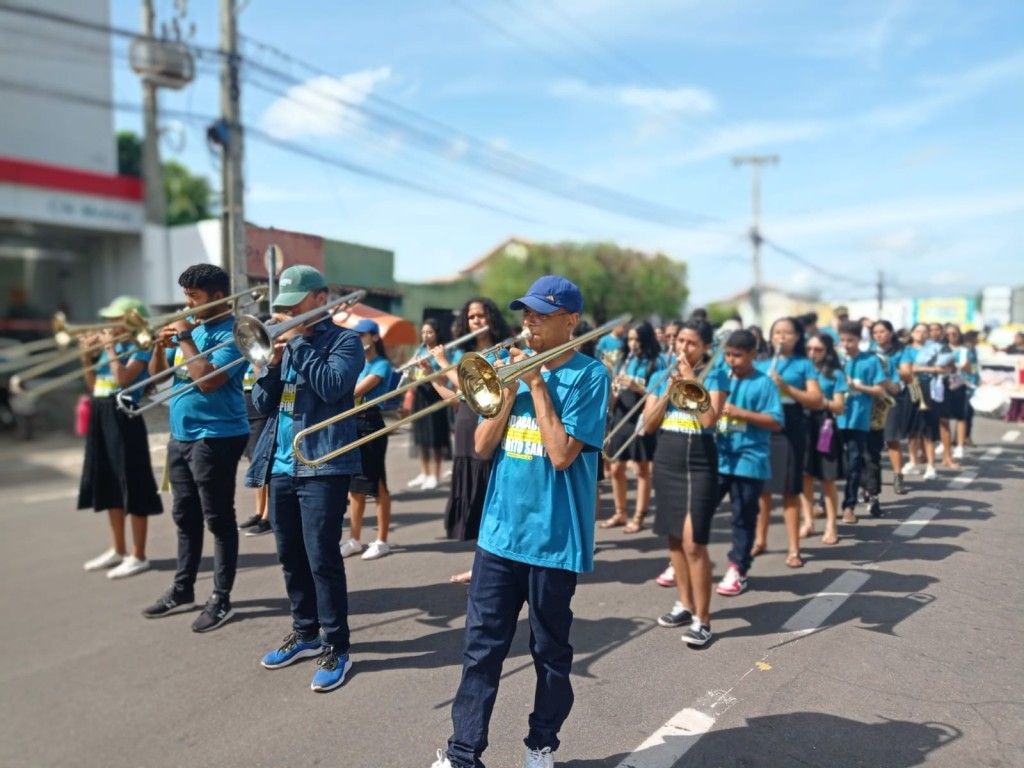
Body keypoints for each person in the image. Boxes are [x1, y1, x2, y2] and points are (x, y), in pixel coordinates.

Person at [431, 275, 609, 768]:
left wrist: (535, 383)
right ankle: (463, 752)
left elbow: (560, 455)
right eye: (525, 312)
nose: (527, 320)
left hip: (553, 542)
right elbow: (481, 446)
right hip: (499, 537)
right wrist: (509, 390)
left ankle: (540, 745)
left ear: (569, 321)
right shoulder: (506, 369)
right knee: (480, 649)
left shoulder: (590, 376)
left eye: (540, 313)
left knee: (549, 652)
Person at [246, 265, 364, 693]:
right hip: (281, 465)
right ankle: (306, 633)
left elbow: (334, 387)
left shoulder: (345, 342)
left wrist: (296, 343)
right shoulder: (284, 348)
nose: (286, 316)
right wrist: (272, 364)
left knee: (322, 560)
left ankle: (337, 646)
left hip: (322, 464)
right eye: (282, 310)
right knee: (290, 557)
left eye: (294, 307)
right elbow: (260, 403)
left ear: (320, 299)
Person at [142, 264, 248, 632]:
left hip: (216, 437)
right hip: (180, 436)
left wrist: (186, 338)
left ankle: (221, 598)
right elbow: (158, 380)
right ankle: (183, 588)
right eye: (185, 295)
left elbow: (209, 382)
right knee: (183, 516)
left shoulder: (236, 334)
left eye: (194, 297)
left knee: (218, 518)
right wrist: (158, 347)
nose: (186, 303)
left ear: (217, 296)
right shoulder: (195, 330)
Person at [648, 319, 726, 646]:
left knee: (695, 543)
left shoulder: (716, 375)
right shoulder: (660, 375)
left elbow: (710, 419)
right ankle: (685, 602)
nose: (683, 347)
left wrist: (692, 381)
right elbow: (649, 425)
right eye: (680, 340)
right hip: (667, 460)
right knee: (675, 538)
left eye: (692, 343)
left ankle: (702, 620)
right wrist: (667, 389)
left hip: (699, 463)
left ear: (705, 347)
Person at [428, 298, 512, 584]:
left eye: (481, 315)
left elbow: (479, 388)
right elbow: (457, 399)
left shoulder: (501, 351)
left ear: (491, 317)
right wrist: (433, 378)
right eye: (471, 317)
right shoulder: (463, 354)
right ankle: (482, 564)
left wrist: (442, 363)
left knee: (491, 503)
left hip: (489, 433)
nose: (476, 320)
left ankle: (493, 565)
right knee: (475, 505)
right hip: (465, 432)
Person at [78, 296, 163, 578]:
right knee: (108, 481)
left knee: (132, 481)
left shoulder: (140, 344)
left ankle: (138, 555)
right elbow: (94, 385)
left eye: (116, 320)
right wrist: (85, 356)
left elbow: (124, 379)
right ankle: (118, 549)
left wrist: (110, 348)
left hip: (124, 414)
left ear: (131, 319)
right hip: (101, 412)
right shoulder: (109, 348)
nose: (110, 325)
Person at [714, 330, 783, 597]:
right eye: (728, 355)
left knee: (742, 516)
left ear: (753, 355)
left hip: (749, 460)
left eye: (738, 356)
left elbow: (776, 421)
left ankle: (738, 568)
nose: (731, 361)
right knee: (701, 510)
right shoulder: (721, 378)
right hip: (720, 457)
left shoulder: (764, 383)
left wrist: (741, 413)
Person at [754, 317, 823, 568]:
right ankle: (760, 540)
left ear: (797, 337)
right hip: (762, 426)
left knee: (789, 490)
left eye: (787, 333)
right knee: (761, 490)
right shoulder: (760, 365)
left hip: (791, 425)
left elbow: (816, 399)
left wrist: (787, 388)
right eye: (777, 332)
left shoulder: (804, 365)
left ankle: (794, 549)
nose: (781, 337)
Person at [600, 321, 664, 534]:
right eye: (630, 339)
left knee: (641, 469)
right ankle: (620, 512)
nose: (633, 343)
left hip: (640, 418)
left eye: (637, 339)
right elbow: (613, 395)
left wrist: (639, 388)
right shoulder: (624, 361)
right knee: (616, 468)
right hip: (620, 417)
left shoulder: (656, 362)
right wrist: (613, 390)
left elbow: (660, 393)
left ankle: (639, 515)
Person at [340, 319, 395, 561]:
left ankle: (382, 540)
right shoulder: (357, 362)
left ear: (374, 336)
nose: (359, 338)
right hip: (352, 422)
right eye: (357, 335)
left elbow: (354, 391)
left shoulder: (381, 364)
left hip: (371, 422)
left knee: (377, 484)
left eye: (363, 335)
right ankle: (354, 539)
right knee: (355, 486)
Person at [837, 321, 887, 522]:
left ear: (859, 339)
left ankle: (849, 505)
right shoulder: (837, 361)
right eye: (843, 340)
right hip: (833, 421)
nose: (846, 344)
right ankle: (823, 503)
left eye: (851, 340)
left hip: (858, 421)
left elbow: (880, 390)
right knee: (828, 463)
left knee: (855, 462)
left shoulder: (871, 361)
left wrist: (859, 387)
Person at [802, 333, 847, 545]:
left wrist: (821, 402)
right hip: (802, 425)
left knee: (827, 478)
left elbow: (839, 406)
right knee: (805, 477)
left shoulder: (835, 374)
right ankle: (808, 520)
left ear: (827, 351)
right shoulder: (801, 370)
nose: (812, 353)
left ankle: (831, 525)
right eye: (809, 349)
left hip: (825, 426)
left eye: (818, 349)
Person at [407, 318, 452, 491]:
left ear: (437, 333)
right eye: (423, 332)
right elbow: (411, 372)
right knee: (421, 437)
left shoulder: (441, 352)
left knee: (435, 438)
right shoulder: (419, 350)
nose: (425, 335)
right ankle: (424, 472)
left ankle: (435, 474)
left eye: (430, 332)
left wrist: (429, 371)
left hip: (435, 394)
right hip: (421, 395)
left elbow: (444, 377)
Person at [872, 320, 911, 496]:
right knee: (871, 441)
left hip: (893, 397)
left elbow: (906, 372)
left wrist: (887, 366)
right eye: (875, 332)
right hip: (873, 397)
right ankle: (871, 479)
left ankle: (898, 476)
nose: (878, 335)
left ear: (890, 333)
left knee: (891, 438)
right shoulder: (869, 351)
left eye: (882, 331)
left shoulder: (901, 350)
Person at [238, 356, 272, 537]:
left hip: (260, 413)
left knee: (263, 464)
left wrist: (255, 361)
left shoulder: (262, 355)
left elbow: (266, 379)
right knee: (253, 463)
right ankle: (259, 511)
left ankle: (268, 516)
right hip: (246, 411)